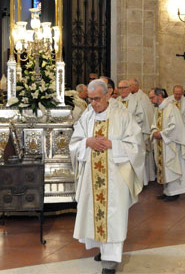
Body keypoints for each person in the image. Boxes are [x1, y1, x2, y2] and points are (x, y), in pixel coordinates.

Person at [70, 80, 144, 274]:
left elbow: (136, 145)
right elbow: (74, 143)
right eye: (91, 99)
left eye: (97, 99)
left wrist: (113, 144)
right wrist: (88, 141)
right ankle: (103, 250)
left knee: (113, 217)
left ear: (108, 96)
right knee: (94, 214)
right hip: (91, 178)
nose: (93, 104)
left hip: (115, 177)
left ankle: (110, 262)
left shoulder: (123, 116)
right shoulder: (87, 117)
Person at [149, 88, 185, 201]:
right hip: (162, 143)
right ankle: (167, 191)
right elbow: (153, 124)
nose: (151, 100)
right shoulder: (158, 109)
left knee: (171, 166)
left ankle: (175, 192)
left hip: (171, 144)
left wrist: (161, 134)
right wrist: (154, 132)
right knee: (164, 167)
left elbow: (175, 127)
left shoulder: (171, 108)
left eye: (152, 97)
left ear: (159, 96)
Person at [117, 80, 153, 186]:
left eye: (124, 88)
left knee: (135, 158)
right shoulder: (116, 101)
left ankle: (138, 182)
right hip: (120, 136)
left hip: (133, 135)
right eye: (120, 88)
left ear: (129, 88)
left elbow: (141, 117)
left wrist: (127, 123)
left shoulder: (136, 100)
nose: (122, 90)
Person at [128, 78, 156, 185]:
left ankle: (146, 178)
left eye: (130, 86)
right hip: (138, 129)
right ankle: (147, 177)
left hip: (142, 130)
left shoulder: (142, 97)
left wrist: (143, 130)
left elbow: (144, 116)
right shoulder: (135, 96)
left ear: (136, 85)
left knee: (144, 155)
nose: (129, 88)